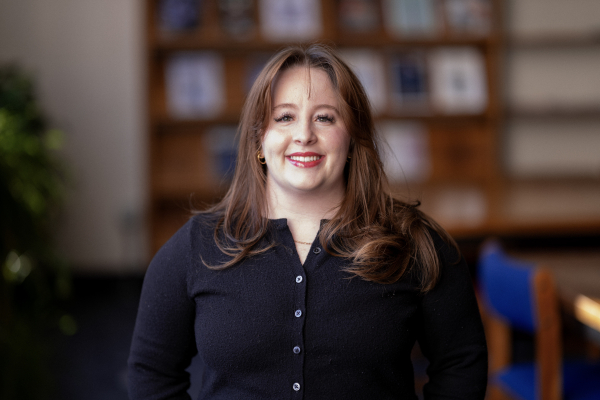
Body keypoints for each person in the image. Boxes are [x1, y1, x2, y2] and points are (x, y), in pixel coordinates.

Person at [128, 44, 488, 400]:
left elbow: (461, 364)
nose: (304, 135)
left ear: (352, 139)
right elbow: (152, 373)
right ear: (259, 139)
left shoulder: (413, 242)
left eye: (325, 117)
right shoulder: (200, 245)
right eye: (284, 117)